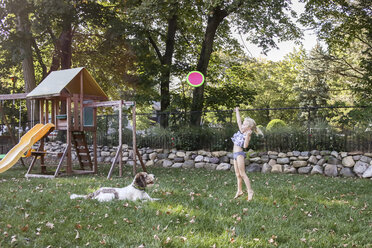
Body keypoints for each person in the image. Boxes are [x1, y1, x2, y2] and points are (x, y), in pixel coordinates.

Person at [231, 107, 262, 201]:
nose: (242, 126)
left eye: (244, 125)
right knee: (237, 174)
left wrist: (247, 136)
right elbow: (238, 122)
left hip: (239, 154)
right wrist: (237, 111)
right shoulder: (241, 131)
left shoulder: (246, 134)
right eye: (243, 124)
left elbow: (245, 146)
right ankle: (239, 190)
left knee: (243, 173)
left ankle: (250, 191)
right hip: (234, 154)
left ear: (248, 128)